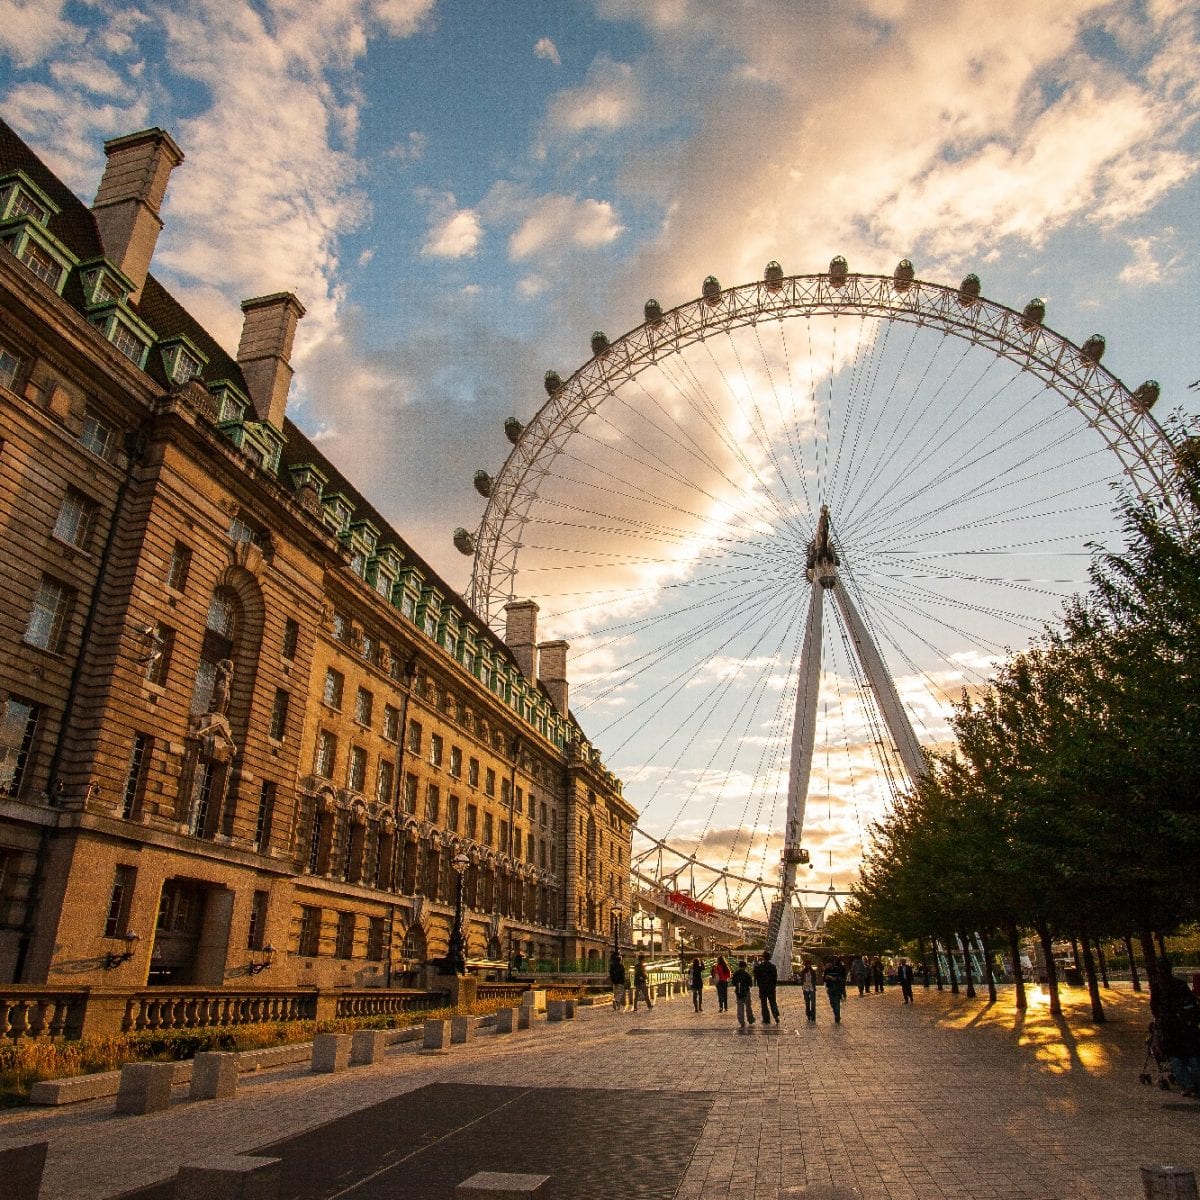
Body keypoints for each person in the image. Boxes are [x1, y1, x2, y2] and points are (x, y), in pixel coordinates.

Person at [1152, 958, 1200, 1098]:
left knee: (1176, 1056)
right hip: (1187, 1025)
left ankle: (1187, 1084)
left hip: (1170, 1027)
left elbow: (1154, 1008)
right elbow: (1193, 1003)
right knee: (1193, 1055)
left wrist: (1158, 1019)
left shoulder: (1157, 987)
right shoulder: (1181, 984)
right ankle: (1197, 1082)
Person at [753, 950, 780, 1025]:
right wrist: (773, 986)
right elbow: (775, 978)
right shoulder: (773, 967)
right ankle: (775, 1016)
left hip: (763, 988)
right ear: (770, 958)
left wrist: (759, 984)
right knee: (773, 1002)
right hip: (771, 988)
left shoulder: (759, 967)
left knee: (764, 1004)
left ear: (763, 958)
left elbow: (757, 977)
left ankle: (766, 1019)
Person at [732, 957, 756, 1029]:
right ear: (745, 966)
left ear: (739, 966)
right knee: (748, 1006)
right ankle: (750, 1019)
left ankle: (741, 1021)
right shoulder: (747, 974)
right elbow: (750, 984)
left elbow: (733, 982)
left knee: (740, 1007)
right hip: (746, 992)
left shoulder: (736, 974)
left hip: (738, 992)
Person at [824, 956, 847, 1023]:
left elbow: (842, 978)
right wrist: (826, 978)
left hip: (837, 988)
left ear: (832, 963)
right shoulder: (826, 970)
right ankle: (836, 1014)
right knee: (832, 1003)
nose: (828, 964)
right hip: (830, 988)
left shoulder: (837, 969)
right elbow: (824, 979)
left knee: (837, 1002)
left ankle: (837, 1016)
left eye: (829, 963)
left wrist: (836, 979)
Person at [798, 956, 819, 1022]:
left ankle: (813, 1016)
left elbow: (815, 979)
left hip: (812, 988)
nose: (808, 965)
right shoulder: (803, 972)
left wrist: (814, 984)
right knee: (807, 1002)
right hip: (805, 988)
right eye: (807, 964)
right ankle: (808, 1014)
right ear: (805, 965)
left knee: (813, 1003)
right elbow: (801, 979)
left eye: (809, 964)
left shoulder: (813, 972)